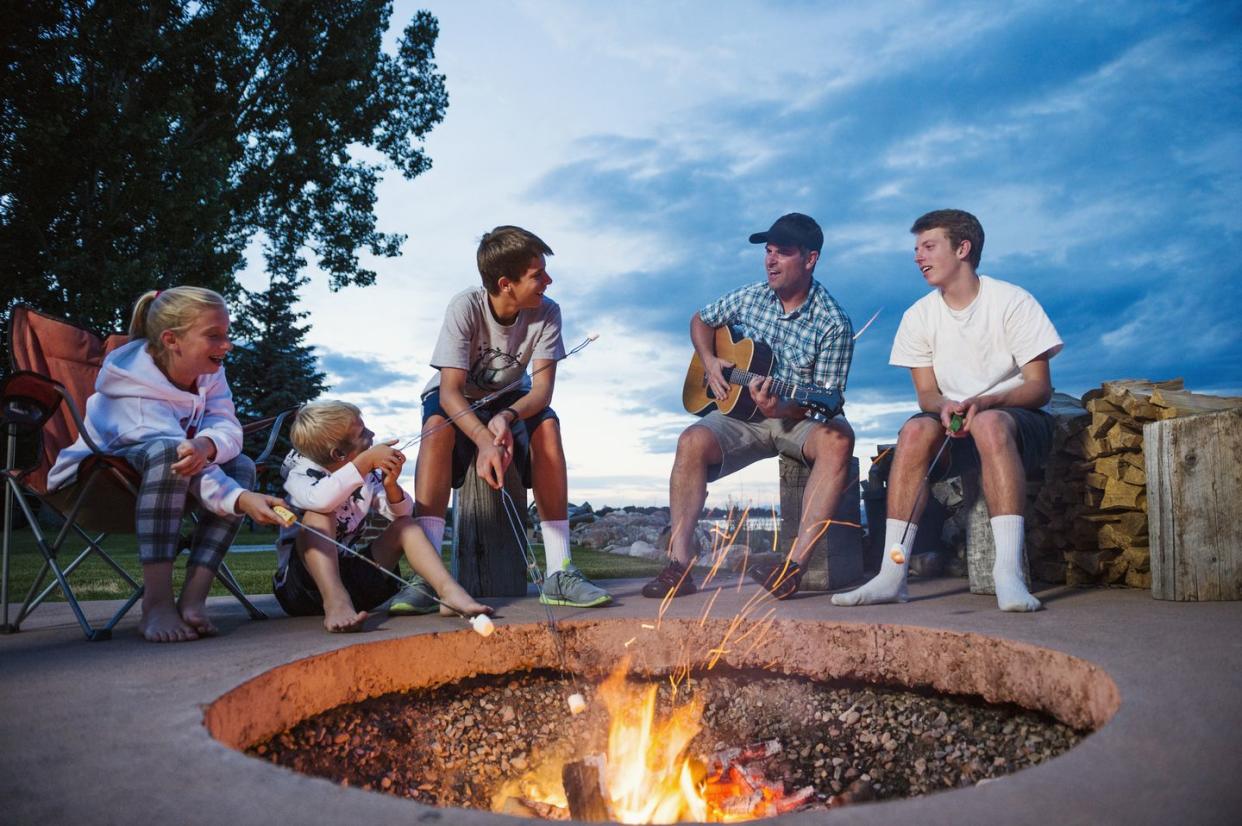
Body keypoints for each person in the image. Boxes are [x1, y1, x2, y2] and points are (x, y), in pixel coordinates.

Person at [833, 209, 1062, 612]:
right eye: (916, 248)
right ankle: (892, 574)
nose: (918, 256)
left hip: (1015, 420)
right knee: (913, 432)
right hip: (953, 420)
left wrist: (987, 401)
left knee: (989, 424)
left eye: (928, 246)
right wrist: (945, 407)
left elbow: (1039, 387)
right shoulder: (918, 316)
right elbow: (926, 395)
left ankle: (1008, 574)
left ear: (962, 248)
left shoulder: (1013, 301)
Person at [47, 287, 289, 642]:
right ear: (171, 340)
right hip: (97, 487)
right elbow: (179, 458)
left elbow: (227, 425)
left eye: (226, 334)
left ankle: (194, 598)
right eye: (214, 336)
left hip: (167, 485)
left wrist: (207, 444)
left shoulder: (209, 372)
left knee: (241, 466)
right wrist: (240, 500)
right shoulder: (132, 392)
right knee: (168, 455)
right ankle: (156, 604)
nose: (227, 345)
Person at [642, 213, 855, 600]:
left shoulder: (834, 324)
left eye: (783, 253)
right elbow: (700, 320)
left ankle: (792, 569)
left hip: (794, 415)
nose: (770, 261)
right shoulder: (751, 296)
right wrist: (709, 361)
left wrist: (782, 408)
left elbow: (824, 401)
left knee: (840, 438)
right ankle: (680, 565)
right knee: (691, 440)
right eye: (768, 252)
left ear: (810, 259)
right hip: (743, 414)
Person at [406, 225, 611, 611]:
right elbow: (449, 392)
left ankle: (560, 572)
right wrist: (484, 440)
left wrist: (505, 416)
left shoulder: (547, 313)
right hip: (459, 398)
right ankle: (428, 577)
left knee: (548, 426)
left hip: (513, 397)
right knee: (435, 430)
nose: (548, 281)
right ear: (505, 283)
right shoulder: (464, 307)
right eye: (537, 275)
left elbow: (541, 392)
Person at [273, 400, 492, 632]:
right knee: (319, 515)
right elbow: (321, 499)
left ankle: (448, 592)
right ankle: (335, 602)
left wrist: (391, 486)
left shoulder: (366, 475)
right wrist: (365, 461)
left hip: (352, 581)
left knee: (406, 526)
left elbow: (403, 512)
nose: (372, 435)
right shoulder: (299, 475)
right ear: (338, 454)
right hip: (301, 589)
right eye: (363, 433)